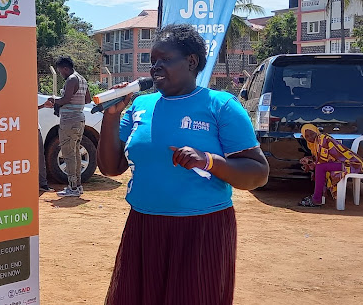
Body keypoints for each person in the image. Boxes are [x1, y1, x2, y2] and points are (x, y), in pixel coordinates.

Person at [97, 24, 269, 304]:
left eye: (165, 59)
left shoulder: (221, 105)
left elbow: (258, 173)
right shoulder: (141, 106)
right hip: (145, 227)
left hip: (201, 231)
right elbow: (110, 167)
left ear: (192, 61)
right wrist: (112, 116)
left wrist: (209, 161)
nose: (156, 67)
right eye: (152, 61)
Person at [51, 56, 91, 197]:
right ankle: (77, 186)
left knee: (68, 154)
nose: (61, 73)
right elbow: (88, 99)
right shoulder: (82, 79)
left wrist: (55, 101)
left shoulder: (71, 79)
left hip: (69, 120)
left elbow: (66, 99)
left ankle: (72, 187)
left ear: (65, 68)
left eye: (61, 71)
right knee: (75, 153)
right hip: (79, 119)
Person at [298, 124, 363, 207]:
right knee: (320, 168)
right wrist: (309, 160)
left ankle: (317, 199)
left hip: (352, 164)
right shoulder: (314, 145)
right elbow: (320, 158)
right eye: (307, 136)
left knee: (320, 167)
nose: (310, 137)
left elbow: (322, 161)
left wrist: (311, 163)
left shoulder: (322, 139)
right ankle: (317, 197)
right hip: (341, 164)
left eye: (312, 134)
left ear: (316, 131)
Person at [38, 100, 54, 194]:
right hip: (17, 126)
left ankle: (42, 183)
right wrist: (43, 105)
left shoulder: (29, 92)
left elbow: (30, 108)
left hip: (34, 127)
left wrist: (43, 105)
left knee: (39, 155)